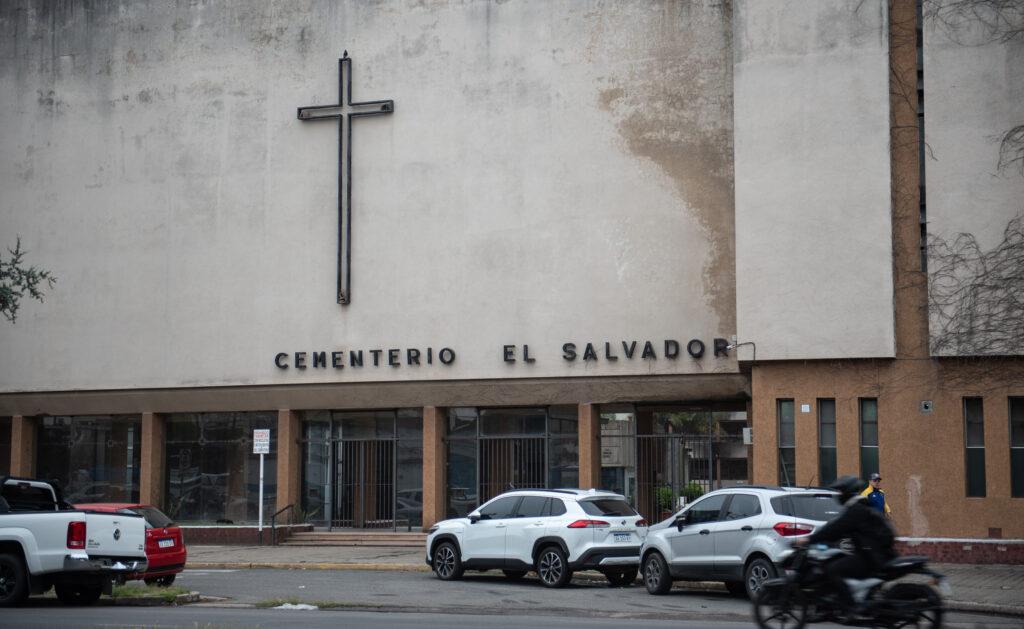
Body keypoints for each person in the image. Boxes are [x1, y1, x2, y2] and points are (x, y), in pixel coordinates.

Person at [792, 475, 896, 614]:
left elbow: (836, 528)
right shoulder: (860, 506)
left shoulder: (856, 509)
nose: (839, 495)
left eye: (840, 491)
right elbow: (839, 529)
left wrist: (809, 539)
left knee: (833, 569)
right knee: (837, 561)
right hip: (872, 553)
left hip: (872, 556)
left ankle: (851, 607)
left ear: (848, 492)